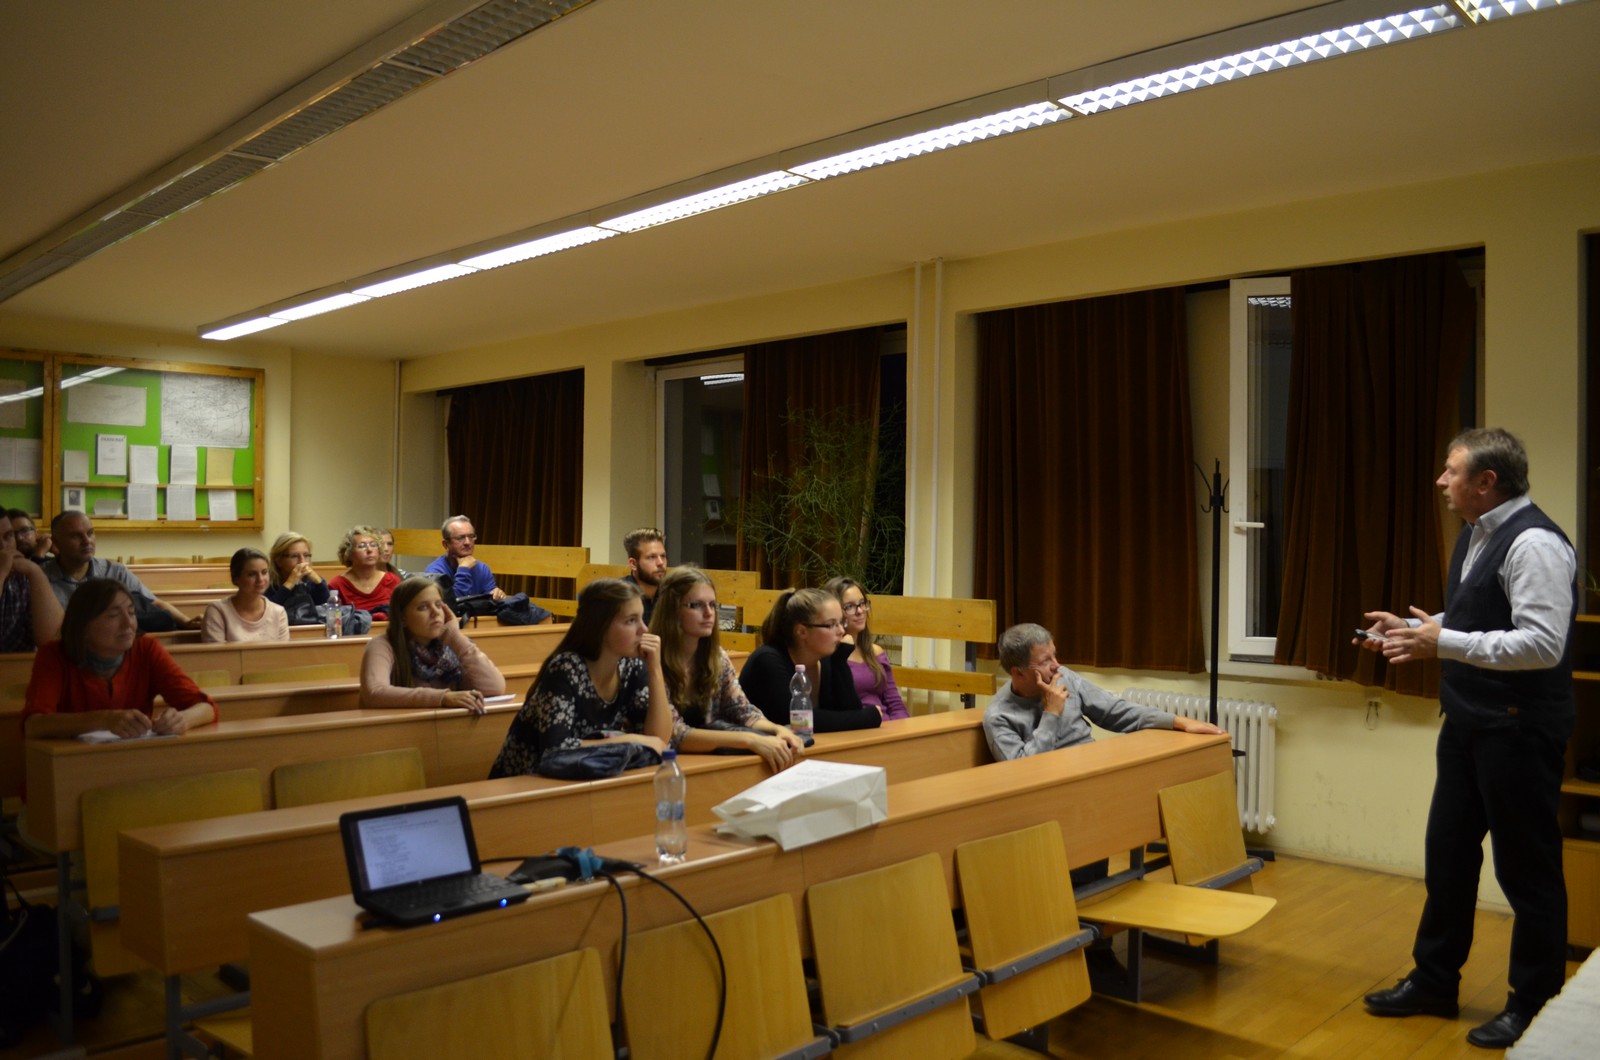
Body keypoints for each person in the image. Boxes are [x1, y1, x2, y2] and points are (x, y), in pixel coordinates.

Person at [1357, 428, 1575, 1050]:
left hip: (1519, 730)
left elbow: (1542, 644)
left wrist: (1443, 642)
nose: (1441, 482)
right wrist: (1421, 629)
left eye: (1451, 471)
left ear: (1486, 481)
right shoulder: (1475, 533)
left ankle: (1534, 1004)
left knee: (1527, 873)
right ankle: (1434, 982)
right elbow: (1484, 616)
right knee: (1448, 857)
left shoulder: (1534, 543)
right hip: (1468, 723)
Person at [490, 578, 671, 777]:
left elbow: (659, 741)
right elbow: (556, 748)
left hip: (581, 777)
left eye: (642, 618)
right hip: (526, 782)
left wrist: (655, 670)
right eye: (631, 620)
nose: (644, 630)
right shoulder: (565, 668)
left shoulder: (632, 666)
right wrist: (629, 740)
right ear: (600, 625)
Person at [983, 623, 1223, 763]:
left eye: (1054, 655)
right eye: (1046, 661)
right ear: (1018, 673)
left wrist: (1178, 722)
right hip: (1050, 792)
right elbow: (1024, 771)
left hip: (1090, 769)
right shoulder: (999, 716)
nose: (1057, 666)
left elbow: (1115, 711)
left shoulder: (1065, 677)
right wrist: (1051, 714)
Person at [651, 566, 804, 771]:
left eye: (712, 605)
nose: (709, 613)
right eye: (696, 605)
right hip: (661, 765)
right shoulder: (652, 659)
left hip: (704, 762)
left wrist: (777, 730)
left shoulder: (716, 657)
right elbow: (675, 734)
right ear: (672, 610)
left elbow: (741, 710)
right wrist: (749, 740)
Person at [23, 578, 216, 740]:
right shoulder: (54, 655)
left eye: (131, 613)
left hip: (134, 759)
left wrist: (182, 720)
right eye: (113, 615)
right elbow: (34, 724)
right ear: (83, 625)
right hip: (72, 763)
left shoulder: (146, 649)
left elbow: (206, 708)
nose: (128, 624)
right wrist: (104, 720)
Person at [739, 588, 881, 732]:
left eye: (841, 622)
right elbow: (796, 720)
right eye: (831, 624)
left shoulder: (828, 659)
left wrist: (839, 661)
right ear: (802, 631)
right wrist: (868, 717)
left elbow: (850, 710)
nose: (842, 631)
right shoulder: (767, 660)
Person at [360, 576, 506, 712]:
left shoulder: (451, 643)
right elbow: (374, 693)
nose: (436, 613)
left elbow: (494, 688)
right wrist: (442, 697)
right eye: (423, 607)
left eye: (438, 605)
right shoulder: (382, 645)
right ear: (403, 618)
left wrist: (454, 636)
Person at [41, 511, 201, 631]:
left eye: (90, 533)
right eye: (76, 536)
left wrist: (186, 622)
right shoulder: (41, 577)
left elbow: (154, 604)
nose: (86, 541)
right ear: (56, 542)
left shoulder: (115, 571)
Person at [425, 515, 552, 623]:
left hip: (479, 626)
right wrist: (463, 570)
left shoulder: (482, 569)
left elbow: (491, 605)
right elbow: (452, 608)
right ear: (446, 544)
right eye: (460, 538)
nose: (468, 542)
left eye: (471, 536)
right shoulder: (435, 572)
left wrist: (497, 595)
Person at [824, 575, 909, 721]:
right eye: (850, 606)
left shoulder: (875, 652)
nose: (860, 611)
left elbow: (895, 705)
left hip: (888, 727)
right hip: (857, 726)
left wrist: (903, 730)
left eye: (862, 603)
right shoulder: (828, 656)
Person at [0, 510, 63, 651]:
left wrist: (35, 572)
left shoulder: (23, 577)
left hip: (22, 663)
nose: (3, 547)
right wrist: (1, 573)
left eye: (8, 536)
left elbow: (53, 640)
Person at [201, 548, 290, 643]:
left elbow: (282, 651)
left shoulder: (278, 613)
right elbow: (217, 652)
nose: (260, 579)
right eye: (252, 574)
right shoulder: (218, 611)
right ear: (236, 578)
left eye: (264, 572)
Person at [328, 525, 400, 620]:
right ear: (349, 554)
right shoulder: (337, 585)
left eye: (373, 545)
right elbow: (335, 620)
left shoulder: (392, 580)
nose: (369, 550)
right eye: (362, 546)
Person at [266, 530, 330, 623]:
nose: (302, 562)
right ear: (279, 561)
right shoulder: (266, 583)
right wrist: (289, 584)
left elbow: (328, 609)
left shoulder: (314, 582)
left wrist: (319, 582)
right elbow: (268, 612)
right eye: (294, 556)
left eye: (306, 555)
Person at [623, 527, 668, 624]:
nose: (661, 563)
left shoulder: (672, 596)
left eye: (663, 556)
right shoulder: (616, 598)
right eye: (652, 557)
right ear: (633, 564)